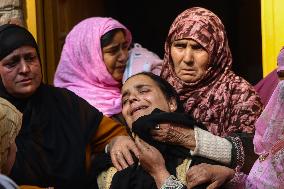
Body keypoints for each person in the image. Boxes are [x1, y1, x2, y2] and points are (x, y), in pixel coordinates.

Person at [0, 24, 138, 188]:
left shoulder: (63, 101)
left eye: (30, 58)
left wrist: (116, 142)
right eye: (12, 63)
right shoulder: (2, 116)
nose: (24, 69)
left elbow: (110, 133)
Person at [160, 7, 263, 172]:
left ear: (216, 50)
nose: (187, 59)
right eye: (180, 46)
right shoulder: (159, 88)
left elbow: (254, 157)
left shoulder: (240, 94)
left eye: (198, 48)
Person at [95, 72, 231, 189]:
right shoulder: (113, 163)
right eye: (125, 100)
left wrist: (159, 173)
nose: (131, 99)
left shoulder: (202, 159)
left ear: (171, 103)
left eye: (143, 91)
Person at [186, 79, 284, 189]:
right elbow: (258, 184)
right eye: (281, 78)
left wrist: (162, 173)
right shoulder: (276, 145)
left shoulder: (241, 94)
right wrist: (230, 175)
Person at [54, 17, 131, 122]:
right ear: (88, 57)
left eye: (125, 47)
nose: (124, 57)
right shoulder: (71, 105)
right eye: (113, 50)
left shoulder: (130, 84)